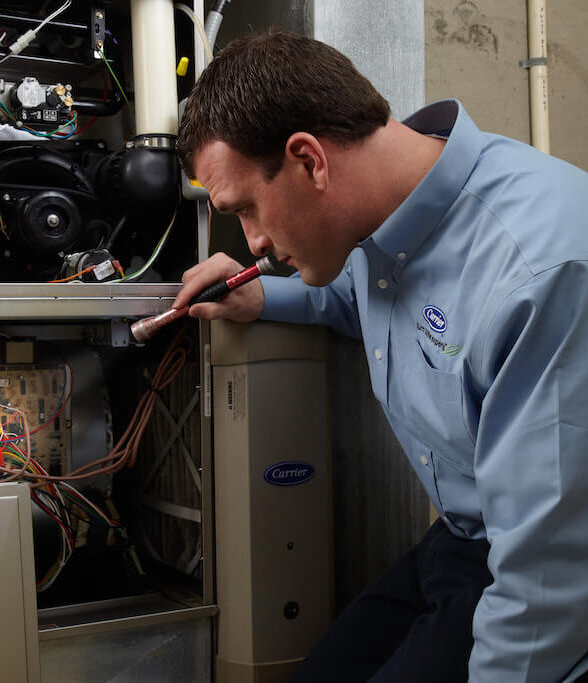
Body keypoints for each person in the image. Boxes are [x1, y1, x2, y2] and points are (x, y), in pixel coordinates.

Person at [174, 29, 588, 682]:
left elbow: (552, 576)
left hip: (543, 565)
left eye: (247, 209)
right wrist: (263, 300)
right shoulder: (386, 221)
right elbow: (358, 297)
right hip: (464, 539)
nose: (251, 243)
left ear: (309, 161)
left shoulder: (540, 272)